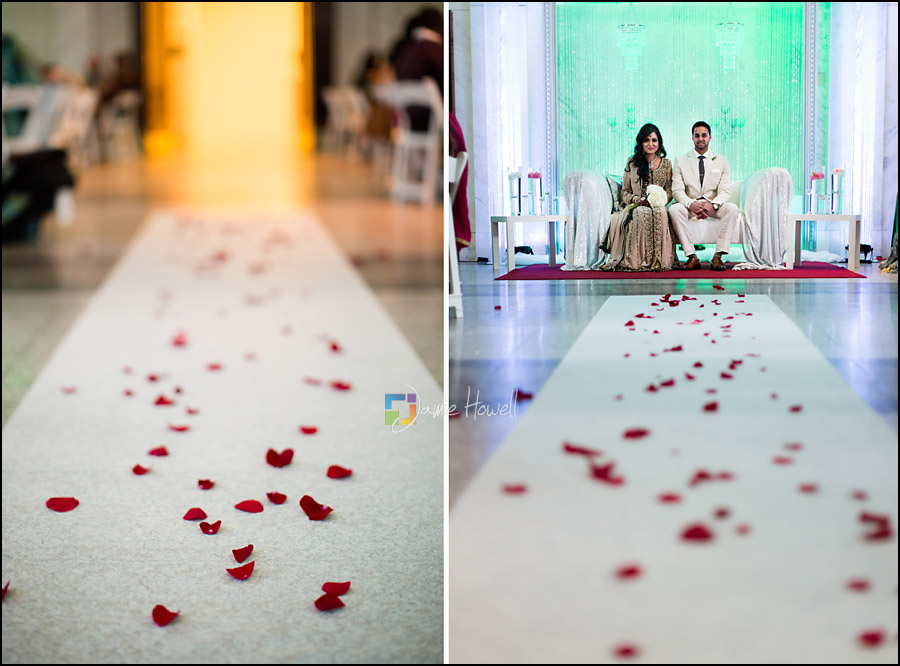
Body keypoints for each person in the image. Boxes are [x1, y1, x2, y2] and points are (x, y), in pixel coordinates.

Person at [601, 123, 678, 271]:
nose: (650, 144)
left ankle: (661, 261)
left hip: (658, 205)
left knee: (660, 212)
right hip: (637, 205)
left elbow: (669, 190)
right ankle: (640, 261)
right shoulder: (633, 163)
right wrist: (638, 200)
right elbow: (625, 192)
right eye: (646, 140)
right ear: (641, 142)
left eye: (654, 140)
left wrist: (660, 200)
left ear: (659, 143)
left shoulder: (667, 164)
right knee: (641, 213)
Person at [669, 121, 740, 271]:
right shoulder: (681, 161)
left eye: (704, 135)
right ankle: (692, 256)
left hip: (713, 205)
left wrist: (713, 205)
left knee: (732, 209)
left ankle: (718, 256)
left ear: (710, 137)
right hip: (691, 204)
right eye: (697, 136)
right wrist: (691, 204)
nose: (700, 139)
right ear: (692, 138)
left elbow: (725, 190)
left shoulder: (722, 160)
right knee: (675, 210)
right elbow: (677, 190)